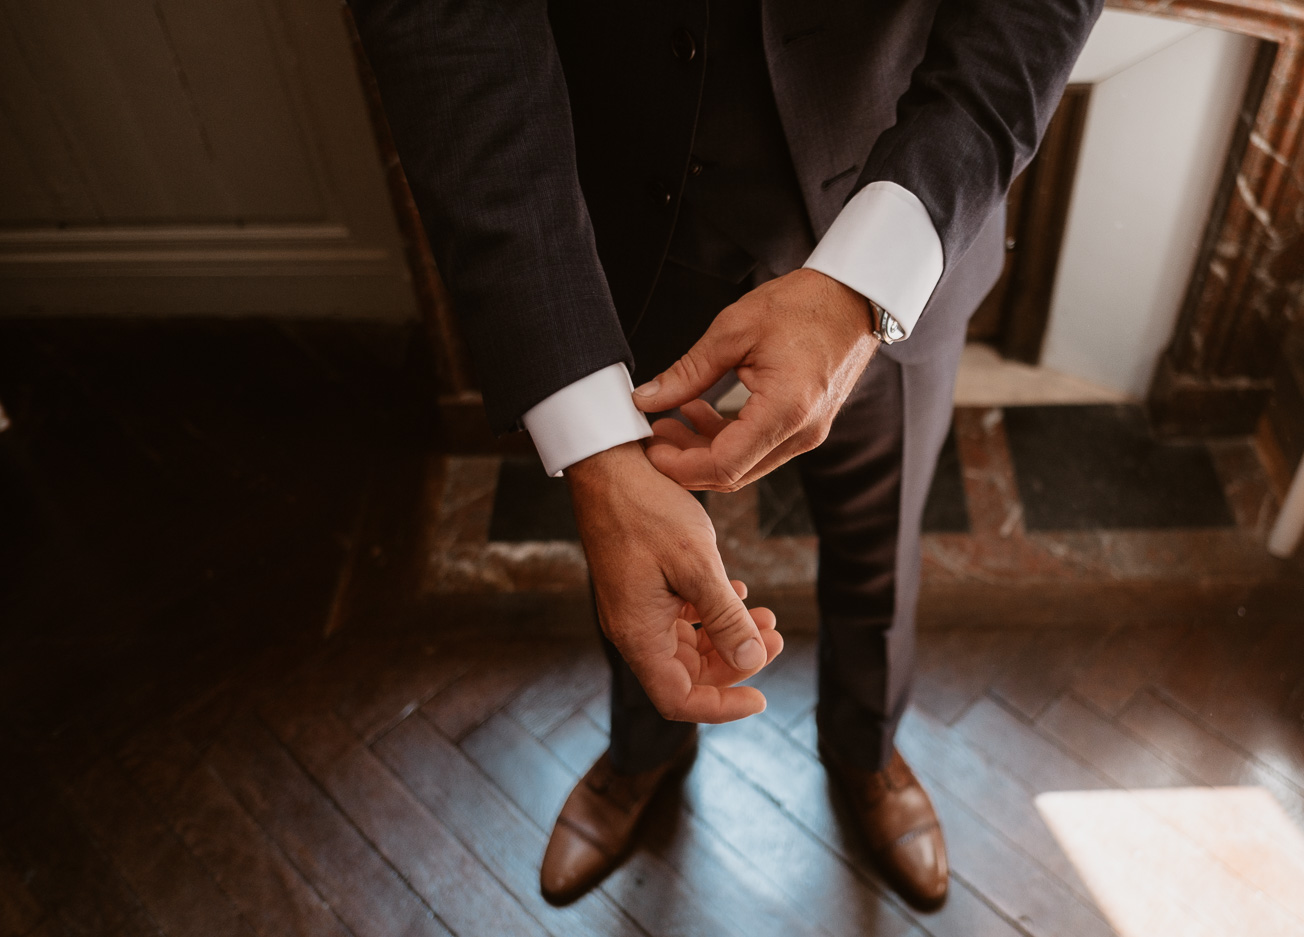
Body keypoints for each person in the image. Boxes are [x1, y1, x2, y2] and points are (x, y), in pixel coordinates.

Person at [350, 0, 1101, 910]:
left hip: (898, 200)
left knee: (882, 542)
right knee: (635, 552)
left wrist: (873, 277)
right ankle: (645, 747)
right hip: (612, 230)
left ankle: (865, 749)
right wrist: (586, 435)